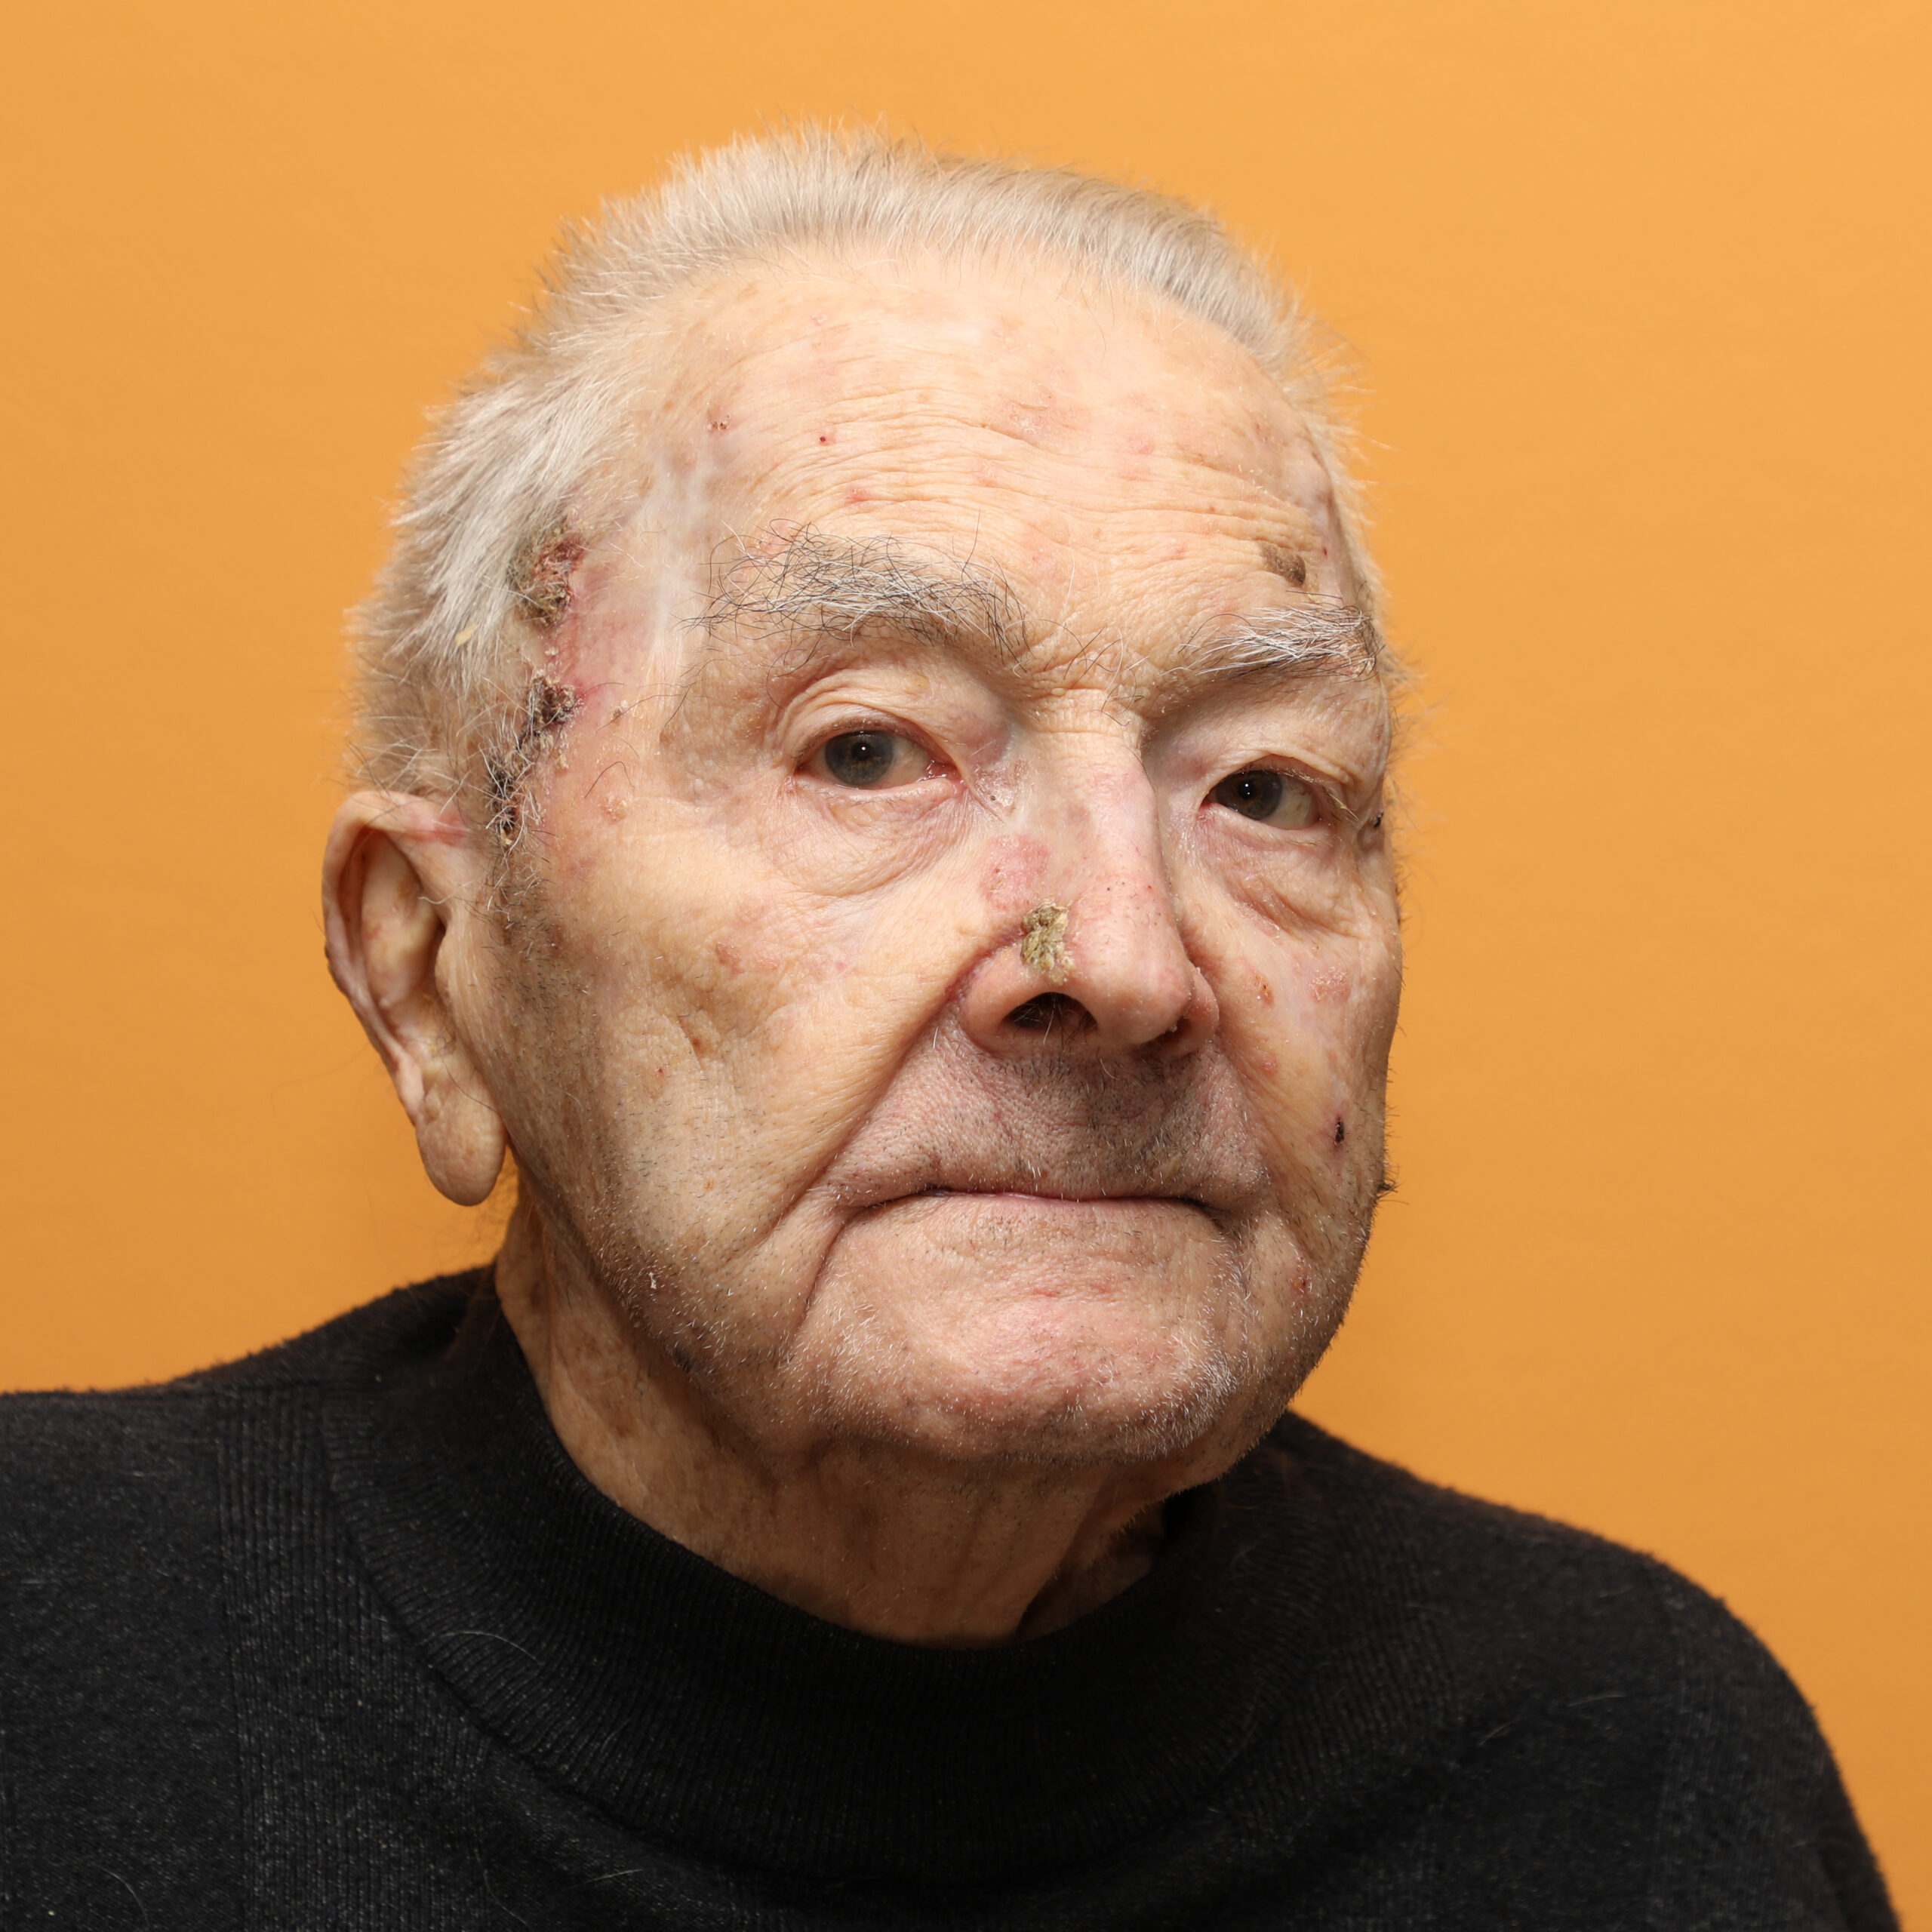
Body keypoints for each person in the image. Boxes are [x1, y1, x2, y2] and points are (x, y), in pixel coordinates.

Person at [0, 128, 1897, 1927]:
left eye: (1261, 789)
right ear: (431, 969)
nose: (1125, 956)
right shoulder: (55, 1678)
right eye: (865, 750)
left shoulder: (1628, 1774)